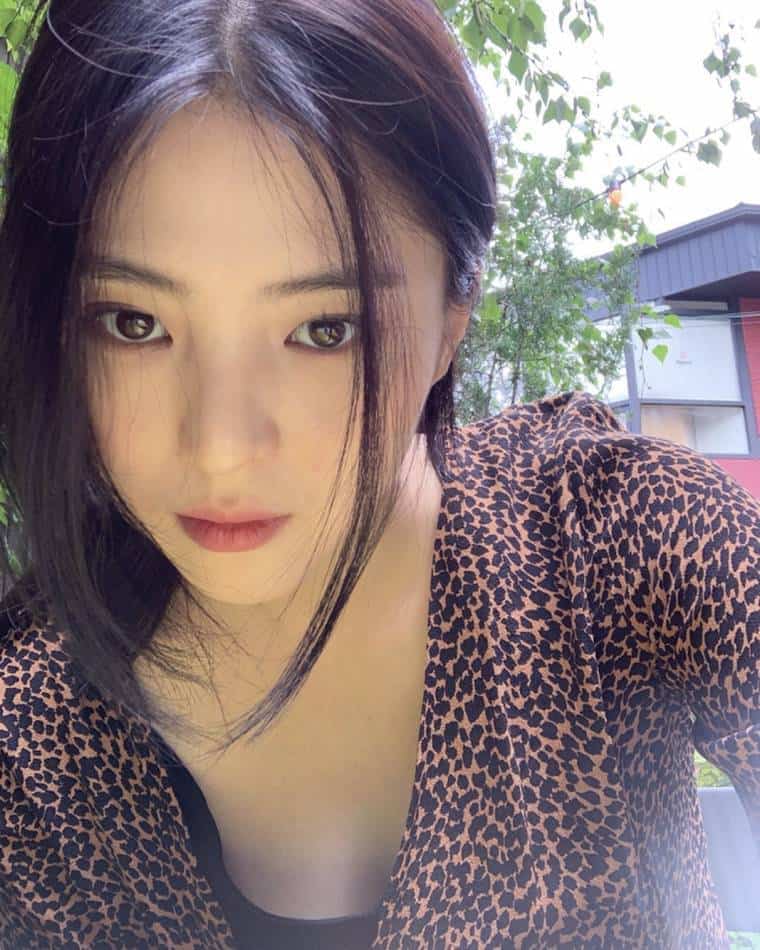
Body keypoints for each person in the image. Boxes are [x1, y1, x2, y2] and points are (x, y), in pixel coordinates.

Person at [0, 1, 757, 948]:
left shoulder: (619, 548)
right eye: (134, 323)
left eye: (326, 329)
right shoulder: (28, 734)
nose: (221, 448)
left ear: (451, 321)